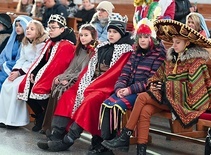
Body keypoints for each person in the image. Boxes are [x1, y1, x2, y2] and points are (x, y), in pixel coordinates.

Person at [101, 19, 211, 155]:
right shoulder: (171, 58)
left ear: (187, 43)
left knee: (142, 97)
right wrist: (157, 84)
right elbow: (156, 77)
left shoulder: (196, 62)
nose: (174, 45)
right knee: (145, 111)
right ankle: (140, 150)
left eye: (177, 43)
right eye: (173, 42)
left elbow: (196, 90)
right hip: (167, 98)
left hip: (185, 103)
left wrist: (167, 86)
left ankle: (125, 135)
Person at [37, 13, 134, 153]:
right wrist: (83, 85)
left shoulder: (125, 51)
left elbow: (114, 75)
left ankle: (68, 140)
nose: (111, 35)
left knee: (89, 101)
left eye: (115, 32)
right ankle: (56, 135)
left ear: (121, 32)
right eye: (109, 31)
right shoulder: (103, 47)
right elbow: (89, 70)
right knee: (68, 95)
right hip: (93, 84)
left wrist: (91, 87)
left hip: (108, 88)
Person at [98, 18, 166, 154]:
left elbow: (151, 81)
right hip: (128, 90)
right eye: (140, 37)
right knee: (106, 105)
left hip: (142, 92)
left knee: (117, 107)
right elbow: (125, 73)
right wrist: (119, 88)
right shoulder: (136, 53)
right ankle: (105, 144)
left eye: (146, 37)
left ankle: (121, 141)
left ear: (151, 38)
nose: (142, 40)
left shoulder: (158, 55)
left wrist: (129, 89)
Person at [17, 14, 76, 132]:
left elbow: (59, 66)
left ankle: (44, 118)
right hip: (46, 72)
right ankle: (40, 115)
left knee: (38, 89)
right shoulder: (51, 41)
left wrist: (40, 76)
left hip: (59, 75)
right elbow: (42, 59)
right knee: (25, 87)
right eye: (49, 27)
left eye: (53, 27)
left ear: (62, 29)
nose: (50, 30)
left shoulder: (66, 45)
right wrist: (34, 72)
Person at [40, 23, 98, 134]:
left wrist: (70, 80)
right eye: (81, 35)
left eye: (86, 35)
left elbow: (85, 72)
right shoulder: (79, 50)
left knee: (64, 91)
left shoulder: (93, 52)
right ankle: (49, 127)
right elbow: (71, 68)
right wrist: (60, 77)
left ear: (93, 36)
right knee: (56, 88)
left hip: (83, 81)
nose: (83, 38)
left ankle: (61, 130)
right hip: (72, 77)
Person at [0, 20, 48, 129]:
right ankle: (4, 118)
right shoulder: (25, 42)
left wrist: (19, 73)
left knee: (15, 87)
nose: (28, 31)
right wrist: (15, 70)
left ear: (39, 31)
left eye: (32, 29)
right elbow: (21, 59)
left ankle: (14, 121)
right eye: (28, 29)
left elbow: (36, 62)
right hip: (21, 69)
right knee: (6, 84)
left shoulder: (41, 44)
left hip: (31, 71)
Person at [0, 15, 32, 91]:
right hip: (4, 66)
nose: (17, 28)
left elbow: (22, 60)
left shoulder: (28, 42)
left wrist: (5, 65)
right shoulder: (13, 39)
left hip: (14, 68)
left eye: (20, 26)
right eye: (16, 25)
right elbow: (3, 54)